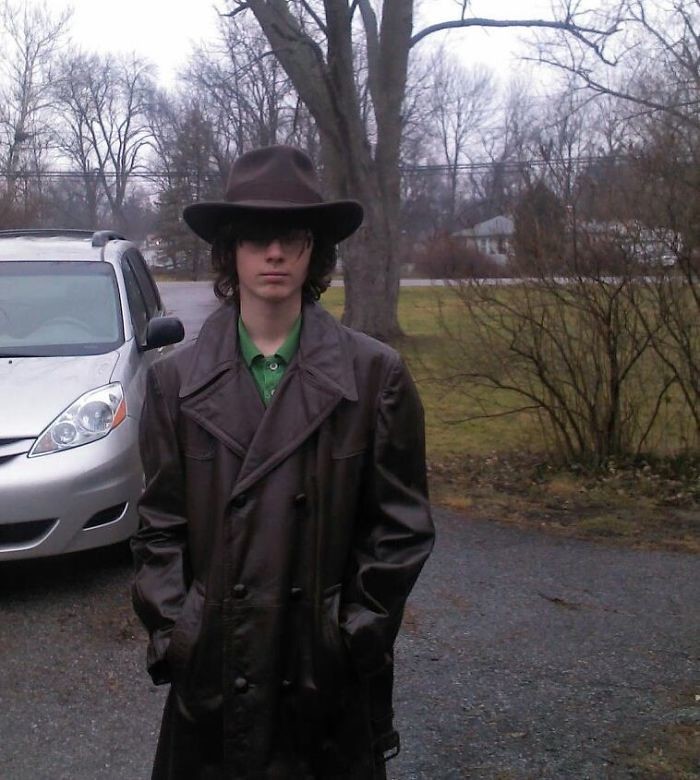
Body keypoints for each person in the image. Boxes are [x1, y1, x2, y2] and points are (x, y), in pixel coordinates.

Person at [131, 145, 435, 780]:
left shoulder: (374, 376)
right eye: (255, 236)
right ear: (230, 250)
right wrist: (179, 633)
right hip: (215, 676)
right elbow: (159, 528)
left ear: (314, 250)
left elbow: (400, 530)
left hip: (323, 682)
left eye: (292, 236)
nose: (274, 253)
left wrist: (352, 632)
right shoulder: (173, 383)